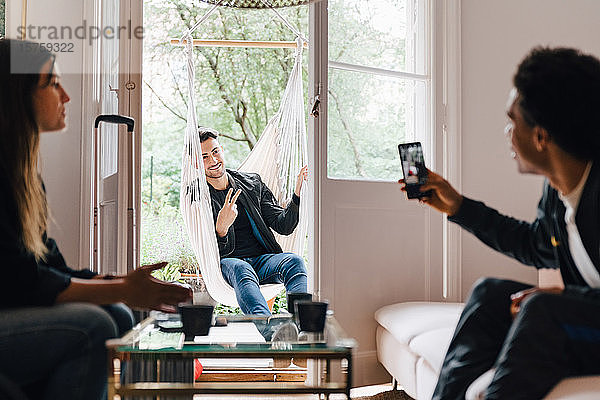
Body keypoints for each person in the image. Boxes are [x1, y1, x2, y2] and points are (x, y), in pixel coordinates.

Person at [400, 46, 600, 399]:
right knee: (490, 293)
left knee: (542, 310)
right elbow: (535, 245)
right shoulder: (558, 191)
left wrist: (566, 297)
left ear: (541, 136)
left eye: (513, 120)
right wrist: (458, 206)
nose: (507, 131)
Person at [0, 38, 192, 400]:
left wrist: (123, 284)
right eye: (52, 82)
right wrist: (123, 288)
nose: (66, 96)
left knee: (119, 314)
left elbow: (49, 266)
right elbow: (20, 281)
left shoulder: (22, 176)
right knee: (93, 325)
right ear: (16, 95)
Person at [199, 127, 308, 315]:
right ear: (194, 163)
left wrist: (297, 194)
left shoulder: (252, 183)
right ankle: (269, 332)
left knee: (294, 261)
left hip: (262, 261)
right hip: (229, 264)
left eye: (215, 152)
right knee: (242, 269)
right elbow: (210, 252)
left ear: (222, 150)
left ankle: (301, 323)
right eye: (204, 157)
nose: (214, 161)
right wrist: (221, 229)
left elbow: (284, 225)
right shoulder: (198, 198)